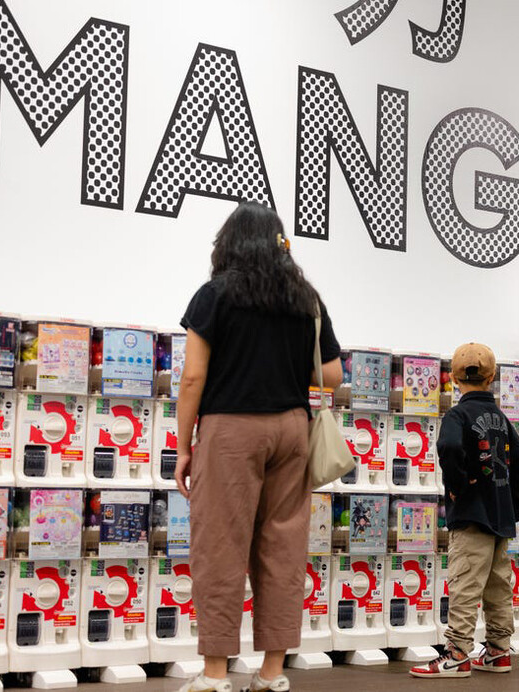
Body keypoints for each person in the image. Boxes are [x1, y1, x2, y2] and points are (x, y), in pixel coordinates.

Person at [175, 203, 342, 692]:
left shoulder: (215, 296)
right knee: (283, 549)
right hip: (292, 429)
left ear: (228, 244)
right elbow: (331, 374)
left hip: (231, 430)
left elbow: (192, 378)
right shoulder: (304, 298)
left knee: (221, 548)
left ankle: (214, 674)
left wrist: (184, 447)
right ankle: (271, 672)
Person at [410, 344, 519, 679]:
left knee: (465, 584)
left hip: (471, 516)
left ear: (452, 378)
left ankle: (456, 655)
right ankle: (498, 651)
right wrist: (515, 507)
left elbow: (449, 446)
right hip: (499, 517)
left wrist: (457, 486)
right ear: (492, 377)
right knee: (498, 587)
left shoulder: (457, 415)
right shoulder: (500, 418)